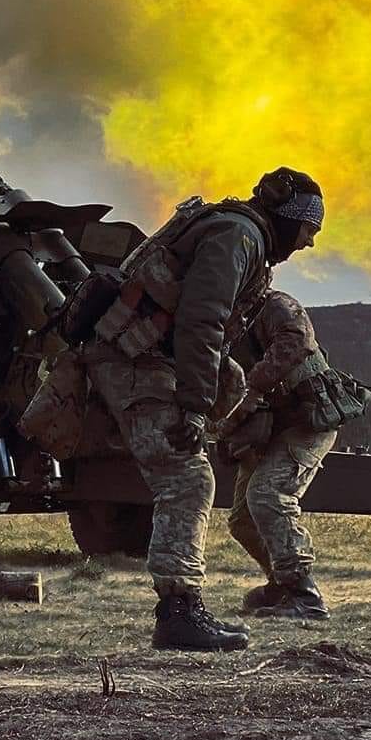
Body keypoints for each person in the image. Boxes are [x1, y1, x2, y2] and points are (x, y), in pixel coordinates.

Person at [83, 166, 324, 652]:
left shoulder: (236, 232)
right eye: (308, 229)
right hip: (135, 360)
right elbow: (202, 317)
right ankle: (178, 615)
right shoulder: (239, 236)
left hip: (140, 358)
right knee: (189, 479)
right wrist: (194, 407)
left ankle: (181, 609)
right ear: (288, 219)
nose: (308, 243)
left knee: (193, 471)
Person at [219, 289, 336, 622]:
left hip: (307, 417)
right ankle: (282, 584)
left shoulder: (273, 306)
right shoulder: (216, 320)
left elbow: (295, 342)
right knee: (242, 520)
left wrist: (252, 390)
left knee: (267, 496)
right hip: (265, 429)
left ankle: (304, 594)